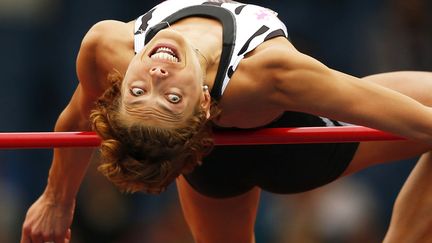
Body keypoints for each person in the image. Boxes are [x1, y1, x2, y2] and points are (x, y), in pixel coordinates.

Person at [20, 0, 432, 242]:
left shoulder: (106, 48)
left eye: (138, 92)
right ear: (201, 105)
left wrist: (58, 199)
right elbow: (420, 122)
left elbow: (76, 118)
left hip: (217, 166)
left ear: (118, 87)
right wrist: (59, 199)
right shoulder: (269, 73)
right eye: (172, 98)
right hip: (299, 156)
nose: (155, 78)